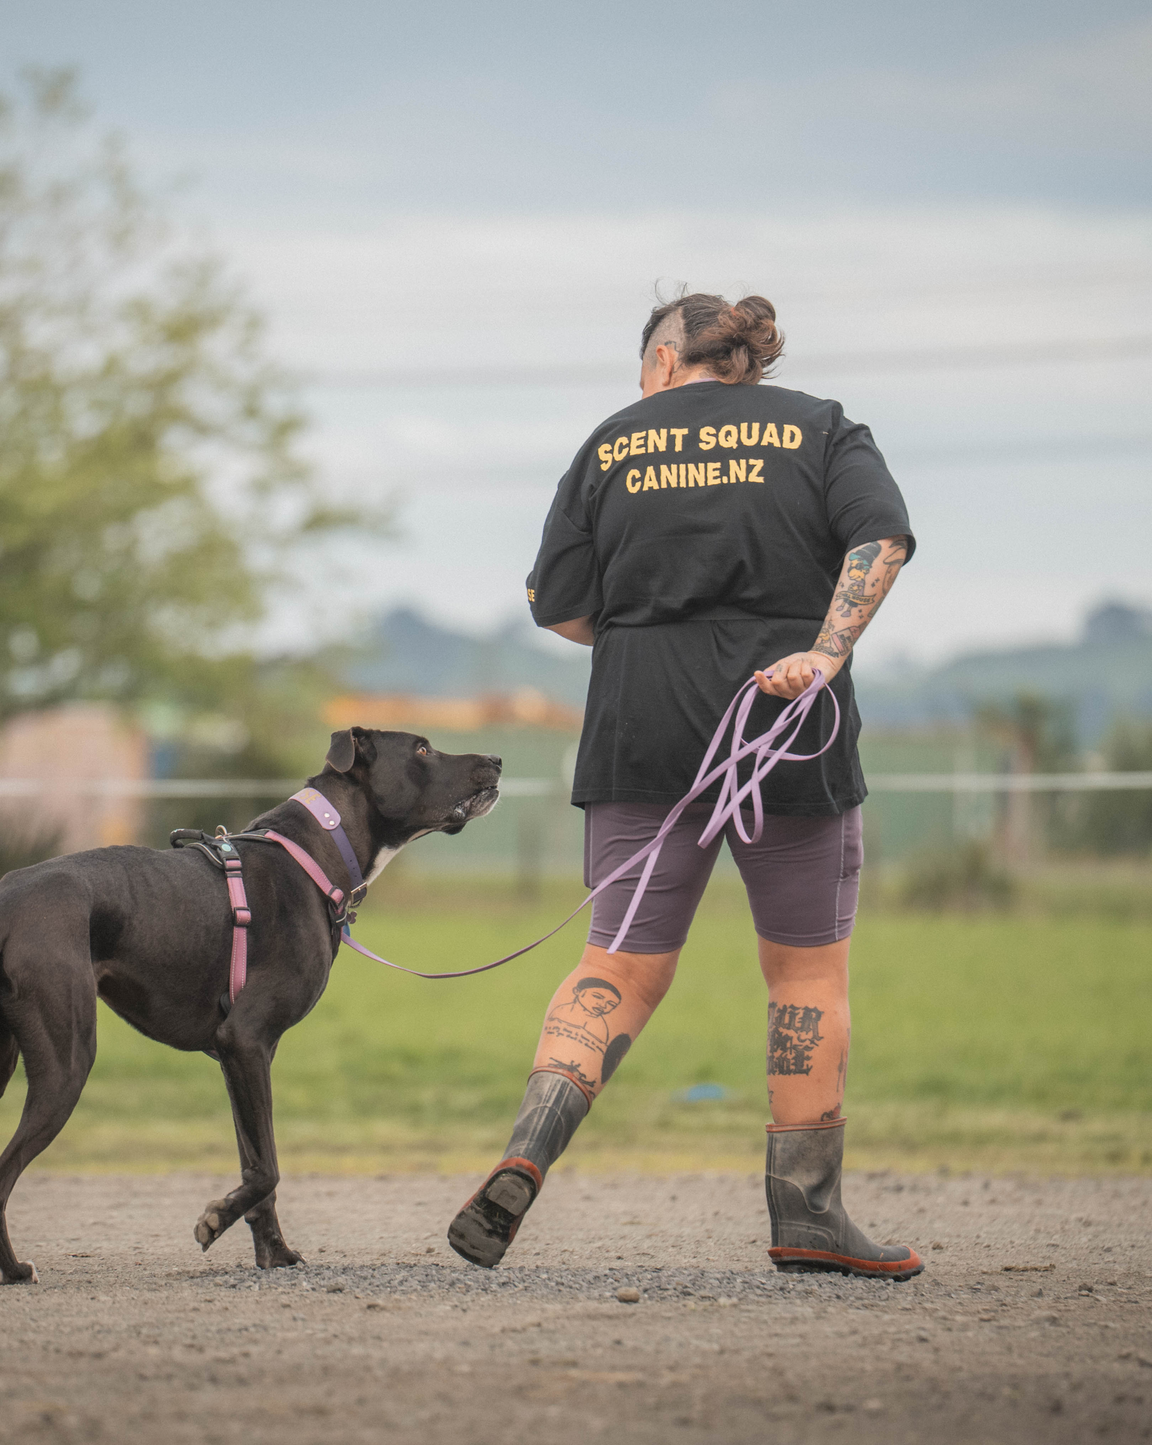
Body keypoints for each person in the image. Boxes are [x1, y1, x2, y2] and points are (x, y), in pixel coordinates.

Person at [447, 290, 921, 1280]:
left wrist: (649, 632)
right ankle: (805, 1213)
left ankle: (528, 1147)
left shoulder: (611, 443)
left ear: (663, 359)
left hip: (638, 724)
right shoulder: (821, 426)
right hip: (781, 718)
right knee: (803, 973)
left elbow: (560, 608)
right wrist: (824, 653)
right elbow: (879, 537)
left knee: (614, 962)